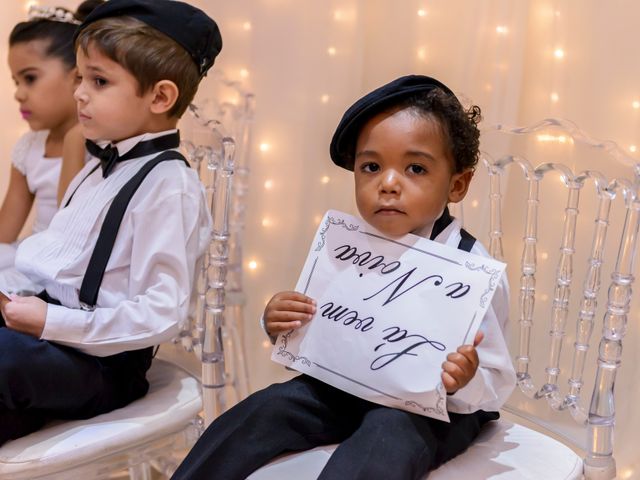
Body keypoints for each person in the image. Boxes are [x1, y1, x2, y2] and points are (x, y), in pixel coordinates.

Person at [171, 75, 516, 480]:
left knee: (386, 436)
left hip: (435, 411)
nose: (388, 184)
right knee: (265, 409)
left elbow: (496, 383)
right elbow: (328, 338)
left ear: (457, 184)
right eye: (371, 166)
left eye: (415, 168)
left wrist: (465, 379)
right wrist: (283, 323)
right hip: (347, 388)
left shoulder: (470, 268)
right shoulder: (345, 247)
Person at [0, 0, 222, 446]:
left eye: (98, 81)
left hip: (102, 364)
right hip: (59, 341)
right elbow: (62, 256)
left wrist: (50, 322)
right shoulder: (99, 164)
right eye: (80, 77)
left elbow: (162, 312)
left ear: (160, 97)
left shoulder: (169, 185)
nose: (79, 92)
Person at [0, 1, 103, 294]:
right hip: (28, 259)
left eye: (30, 78)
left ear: (77, 76)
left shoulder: (101, 145)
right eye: (15, 81)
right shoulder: (28, 148)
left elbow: (70, 234)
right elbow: (4, 236)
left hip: (66, 272)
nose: (19, 94)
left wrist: (74, 141)